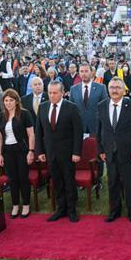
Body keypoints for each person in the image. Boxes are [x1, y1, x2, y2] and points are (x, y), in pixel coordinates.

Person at [35, 81, 83, 223]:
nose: (52, 95)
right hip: (50, 152)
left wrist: (76, 152)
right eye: (49, 92)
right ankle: (60, 208)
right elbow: (39, 131)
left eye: (55, 93)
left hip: (68, 153)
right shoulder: (43, 108)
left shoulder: (71, 108)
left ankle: (72, 209)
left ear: (62, 93)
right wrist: (40, 151)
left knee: (69, 180)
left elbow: (78, 132)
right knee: (56, 181)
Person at [97, 77, 131, 223]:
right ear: (108, 89)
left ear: (124, 90)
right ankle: (114, 211)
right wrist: (101, 150)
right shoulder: (102, 105)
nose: (115, 90)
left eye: (118, 87)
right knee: (112, 183)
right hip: (109, 152)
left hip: (128, 153)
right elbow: (99, 130)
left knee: (129, 183)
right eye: (112, 87)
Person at [0, 89, 35, 219]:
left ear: (17, 101)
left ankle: (26, 205)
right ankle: (15, 205)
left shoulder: (24, 114)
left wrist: (31, 151)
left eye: (11, 100)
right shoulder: (1, 116)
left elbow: (31, 134)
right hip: (8, 152)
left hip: (22, 151)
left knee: (23, 178)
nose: (8, 103)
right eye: (6, 100)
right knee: (12, 179)